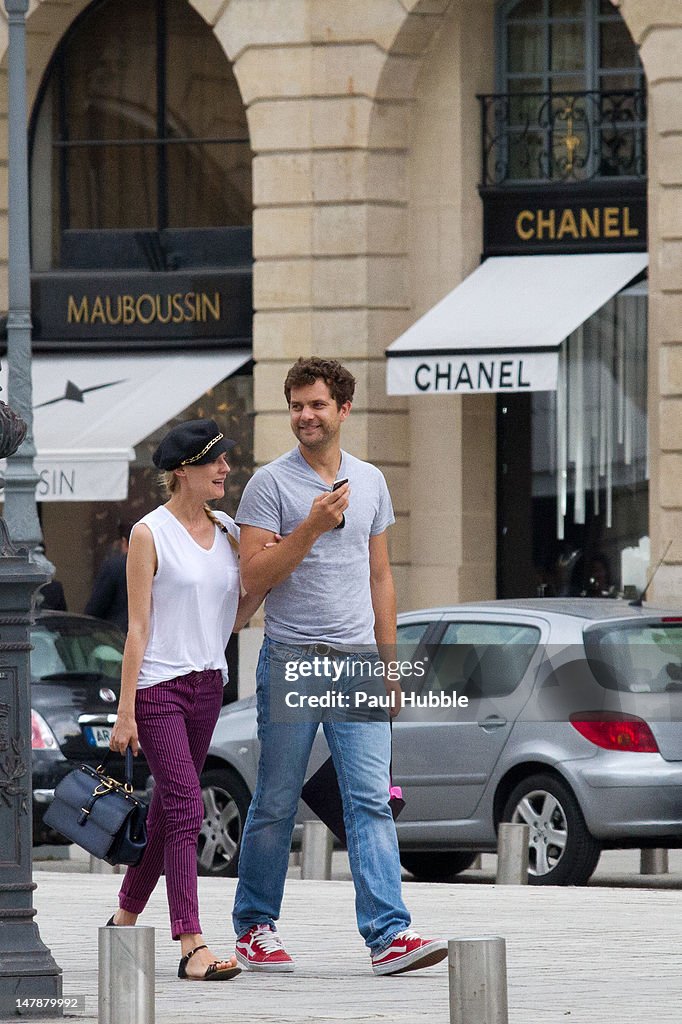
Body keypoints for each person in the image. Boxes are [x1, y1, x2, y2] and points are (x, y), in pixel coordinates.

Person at [232, 357, 446, 977]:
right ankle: (255, 926)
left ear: (343, 408)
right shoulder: (269, 486)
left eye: (317, 404)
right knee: (275, 800)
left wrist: (390, 667)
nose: (305, 416)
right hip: (294, 657)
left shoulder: (372, 481)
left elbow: (381, 579)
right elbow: (254, 577)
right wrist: (312, 525)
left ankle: (388, 935)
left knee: (370, 799)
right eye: (297, 405)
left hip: (358, 662)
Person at [108, 418, 266, 982]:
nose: (226, 469)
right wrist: (125, 711)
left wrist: (266, 583)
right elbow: (138, 629)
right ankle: (191, 942)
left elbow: (230, 619)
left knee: (168, 808)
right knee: (185, 804)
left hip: (207, 687)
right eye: (213, 461)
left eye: (225, 459)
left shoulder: (227, 530)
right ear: (182, 471)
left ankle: (122, 921)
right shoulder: (150, 534)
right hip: (158, 689)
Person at [84, 521, 132, 631]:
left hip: (117, 636)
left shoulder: (114, 566)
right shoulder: (156, 565)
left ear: (124, 542)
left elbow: (95, 608)